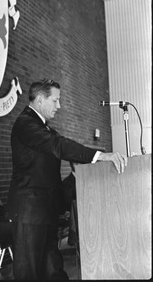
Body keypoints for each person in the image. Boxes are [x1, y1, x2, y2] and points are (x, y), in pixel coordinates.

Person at [7, 78, 128, 280]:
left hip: (45, 211)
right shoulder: (25, 124)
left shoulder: (45, 129)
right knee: (30, 272)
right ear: (39, 99)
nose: (59, 106)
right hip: (29, 213)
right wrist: (101, 156)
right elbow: (58, 146)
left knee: (53, 269)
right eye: (55, 101)